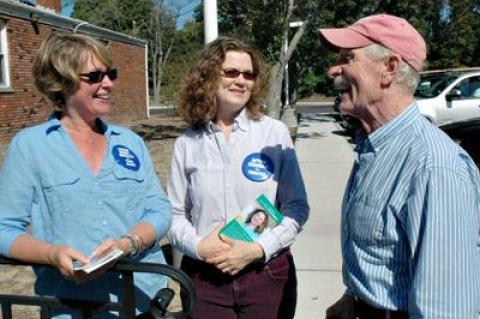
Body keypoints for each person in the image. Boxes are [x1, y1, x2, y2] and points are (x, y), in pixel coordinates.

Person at [317, 14, 480, 319]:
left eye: (347, 58)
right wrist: (353, 297)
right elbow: (384, 256)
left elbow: (446, 309)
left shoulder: (433, 168)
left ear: (389, 68)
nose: (332, 70)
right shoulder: (373, 145)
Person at [0, 33, 172, 318]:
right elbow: (4, 229)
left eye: (110, 74)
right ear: (63, 82)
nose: (108, 84)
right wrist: (52, 255)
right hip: (71, 306)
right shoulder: (30, 146)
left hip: (139, 299)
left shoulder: (129, 142)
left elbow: (160, 209)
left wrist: (127, 244)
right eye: (94, 76)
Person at [167, 36, 309, 319]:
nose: (241, 81)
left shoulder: (274, 133)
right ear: (208, 77)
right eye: (231, 73)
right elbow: (172, 214)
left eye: (249, 75)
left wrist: (258, 249)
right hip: (205, 279)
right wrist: (198, 246)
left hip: (266, 275)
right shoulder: (188, 142)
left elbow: (296, 207)